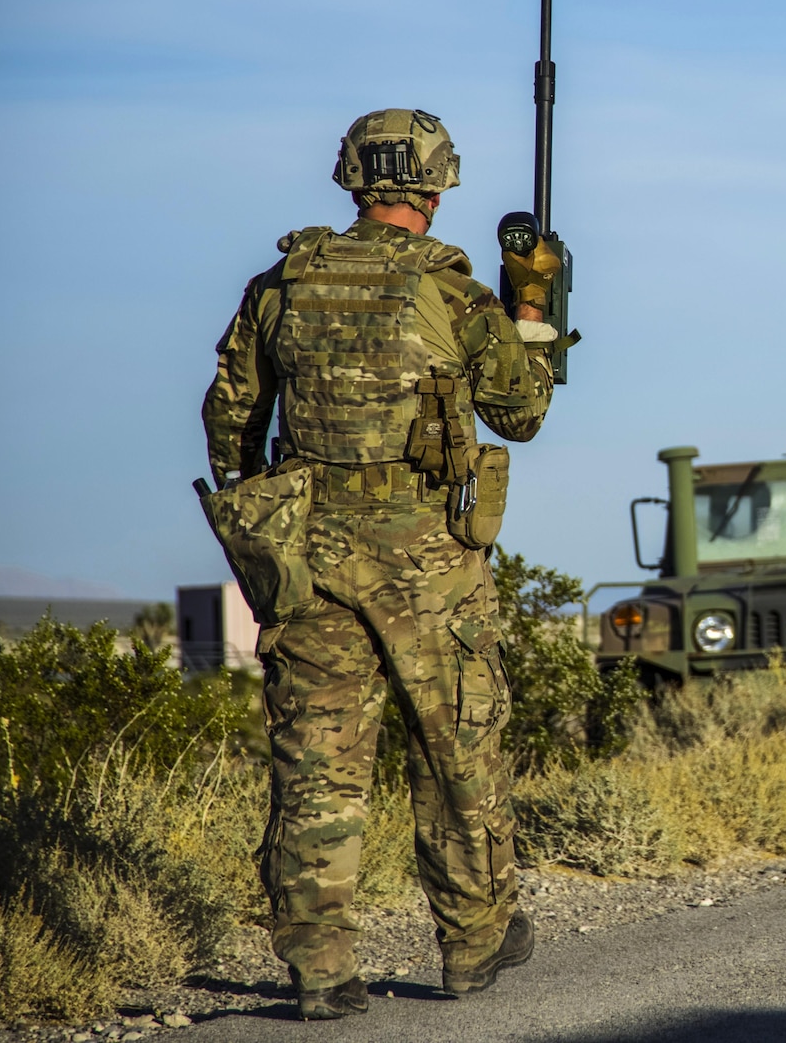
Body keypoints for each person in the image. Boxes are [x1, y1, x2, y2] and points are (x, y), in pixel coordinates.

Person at [202, 108, 559, 1019]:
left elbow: (230, 421)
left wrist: (270, 523)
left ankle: (321, 969)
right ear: (437, 190)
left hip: (311, 555)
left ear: (352, 182)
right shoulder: (452, 293)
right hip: (429, 559)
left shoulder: (279, 283)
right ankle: (473, 942)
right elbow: (520, 413)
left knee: (317, 763)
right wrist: (532, 311)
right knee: (456, 747)